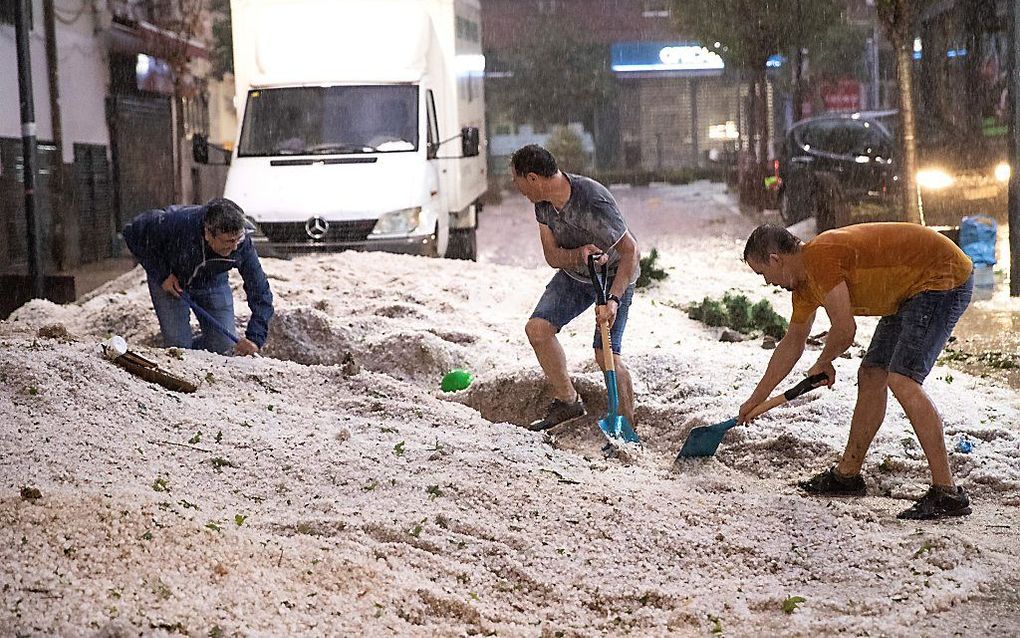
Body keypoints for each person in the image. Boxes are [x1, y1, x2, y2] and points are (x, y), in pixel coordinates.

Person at [739, 222, 974, 520]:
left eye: (763, 274)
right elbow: (792, 344)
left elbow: (845, 329)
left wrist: (824, 361)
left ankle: (947, 492)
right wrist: (756, 400)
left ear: (775, 259)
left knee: (902, 378)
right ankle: (847, 475)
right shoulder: (804, 286)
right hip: (907, 290)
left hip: (941, 276)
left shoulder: (819, 258)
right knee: (872, 373)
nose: (768, 283)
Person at [509, 144, 641, 431]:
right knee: (538, 330)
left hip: (615, 275)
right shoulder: (542, 205)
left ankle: (626, 426)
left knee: (606, 354)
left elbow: (632, 252)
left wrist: (614, 299)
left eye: (517, 180)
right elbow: (552, 256)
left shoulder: (592, 200)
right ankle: (568, 401)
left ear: (532, 178)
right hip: (575, 276)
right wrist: (579, 253)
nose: (517, 189)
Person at [122, 198, 274, 357]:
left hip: (212, 281)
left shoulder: (242, 245)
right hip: (170, 280)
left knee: (223, 347)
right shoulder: (176, 223)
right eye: (228, 241)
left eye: (238, 239)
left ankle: (198, 350)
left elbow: (260, 290)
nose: (235, 247)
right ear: (208, 233)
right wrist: (162, 274)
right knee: (179, 348)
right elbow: (132, 232)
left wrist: (255, 338)